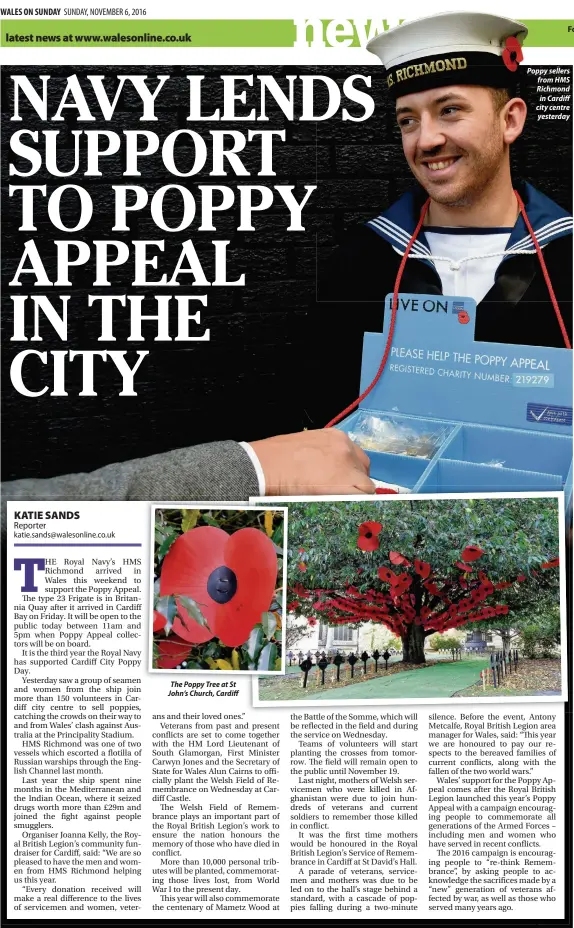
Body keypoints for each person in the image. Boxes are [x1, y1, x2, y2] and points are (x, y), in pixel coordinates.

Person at [303, 12, 573, 429]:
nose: (425, 140)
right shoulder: (358, 263)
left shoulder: (566, 256)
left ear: (510, 120)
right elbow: (327, 418)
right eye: (408, 120)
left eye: (449, 110)